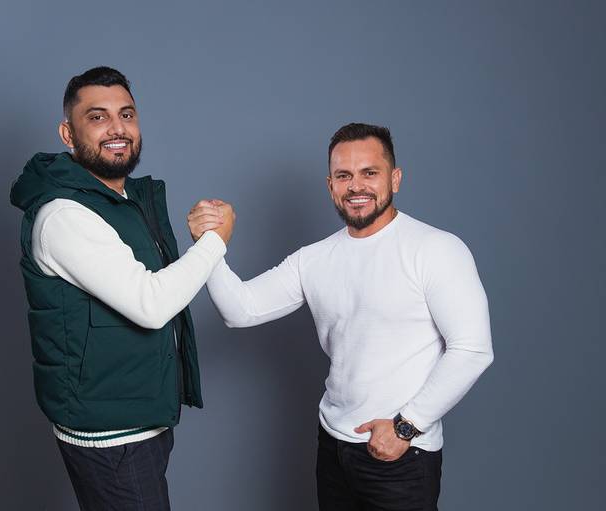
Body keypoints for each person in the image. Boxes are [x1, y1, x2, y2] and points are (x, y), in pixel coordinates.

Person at [194, 123, 493, 510]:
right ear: (331, 185)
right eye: (343, 176)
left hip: (403, 454)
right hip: (334, 447)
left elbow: (472, 349)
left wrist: (407, 425)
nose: (356, 186)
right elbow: (241, 310)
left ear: (395, 178)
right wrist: (209, 245)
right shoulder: (314, 259)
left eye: (370, 172)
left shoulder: (436, 249)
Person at [10, 66, 234, 511]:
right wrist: (214, 242)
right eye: (97, 117)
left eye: (126, 115)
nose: (117, 128)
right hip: (113, 435)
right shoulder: (65, 215)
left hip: (137, 417)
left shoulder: (125, 200)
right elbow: (151, 303)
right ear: (68, 134)